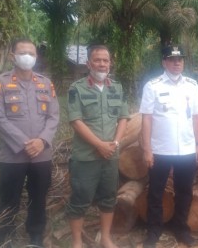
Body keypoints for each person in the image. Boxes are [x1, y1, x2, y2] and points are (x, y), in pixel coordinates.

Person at [0, 38, 60, 247]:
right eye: (22, 53)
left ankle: (35, 237)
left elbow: (54, 116)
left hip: (41, 155)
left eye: (31, 53)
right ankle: (5, 238)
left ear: (36, 57)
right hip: (13, 156)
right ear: (13, 56)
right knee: (9, 200)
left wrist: (42, 141)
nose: (27, 57)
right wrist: (25, 143)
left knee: (38, 199)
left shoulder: (46, 84)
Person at [139, 45, 198, 248]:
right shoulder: (153, 85)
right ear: (164, 62)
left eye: (180, 59)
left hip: (186, 149)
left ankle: (181, 228)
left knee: (184, 191)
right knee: (156, 192)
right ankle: (154, 230)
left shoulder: (191, 86)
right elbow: (147, 119)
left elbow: (197, 118)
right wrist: (147, 149)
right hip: (160, 149)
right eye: (172, 59)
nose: (177, 63)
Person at [66, 45, 129, 248]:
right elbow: (76, 121)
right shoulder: (77, 88)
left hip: (111, 156)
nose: (102, 63)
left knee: (109, 198)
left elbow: (123, 118)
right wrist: (99, 145)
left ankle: (105, 238)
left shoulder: (117, 88)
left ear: (110, 63)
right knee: (80, 199)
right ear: (88, 63)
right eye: (97, 60)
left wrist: (115, 143)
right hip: (86, 157)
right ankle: (76, 242)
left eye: (105, 60)